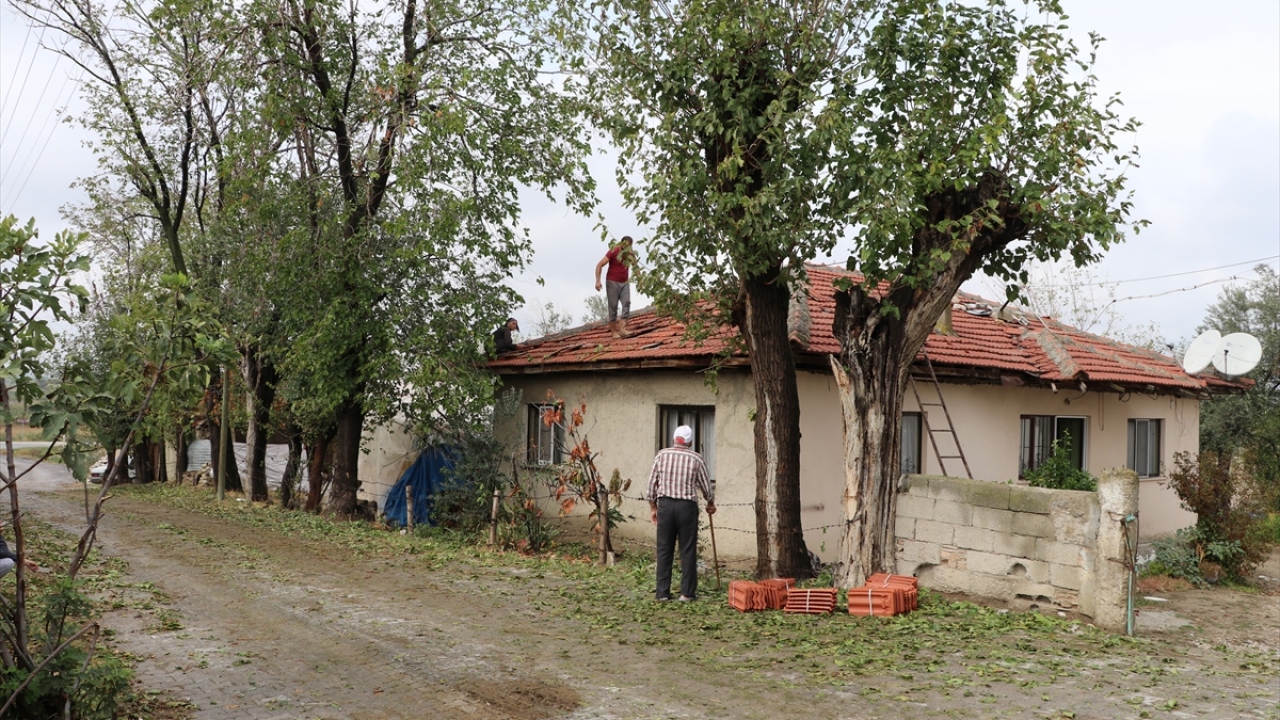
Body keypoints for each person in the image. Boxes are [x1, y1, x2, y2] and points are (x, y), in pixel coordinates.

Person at [646, 425, 715, 601]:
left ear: (673, 439)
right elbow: (706, 486)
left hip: (666, 506)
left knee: (664, 549)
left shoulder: (662, 455)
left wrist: (654, 508)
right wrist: (710, 502)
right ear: (690, 442)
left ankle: (662, 593)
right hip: (687, 508)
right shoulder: (696, 458)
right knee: (687, 549)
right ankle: (687, 593)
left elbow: (651, 485)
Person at [594, 236, 634, 338]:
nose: (627, 248)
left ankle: (623, 329)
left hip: (625, 282)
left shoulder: (630, 254)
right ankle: (613, 332)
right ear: (622, 244)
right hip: (612, 282)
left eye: (629, 246)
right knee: (613, 306)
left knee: (626, 303)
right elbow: (599, 265)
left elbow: (636, 266)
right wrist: (598, 281)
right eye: (625, 246)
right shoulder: (614, 250)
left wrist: (641, 280)